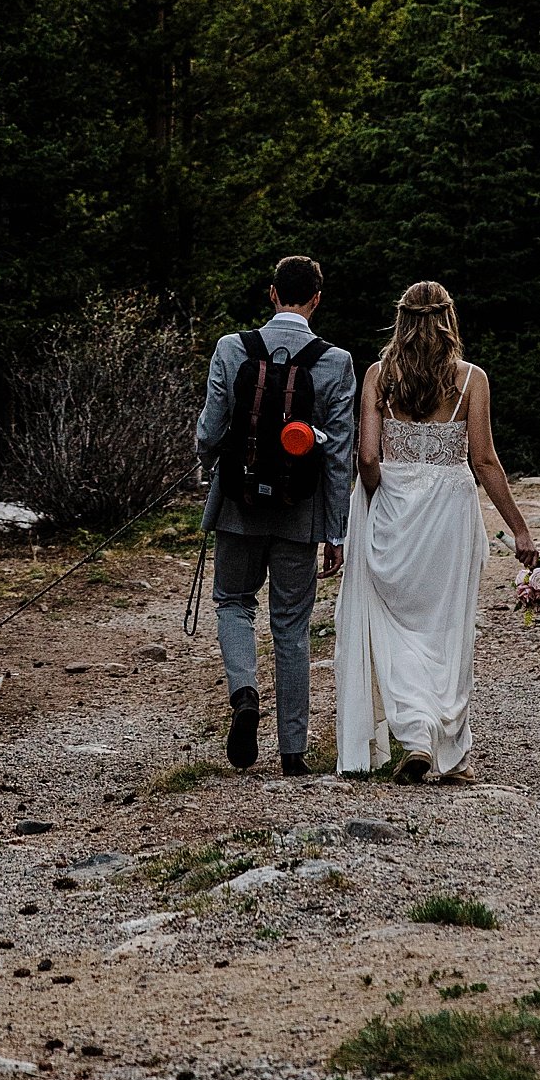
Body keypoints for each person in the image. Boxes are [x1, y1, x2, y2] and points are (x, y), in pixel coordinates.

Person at [335, 279, 538, 783]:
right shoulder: (472, 380)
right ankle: (447, 746)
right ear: (450, 319)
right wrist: (520, 530)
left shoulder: (379, 377)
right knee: (447, 629)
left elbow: (365, 455)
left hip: (394, 511)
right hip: (449, 513)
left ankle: (415, 733)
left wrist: (381, 493)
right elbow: (484, 460)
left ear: (401, 319)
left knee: (394, 626)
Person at [195, 255, 356, 775]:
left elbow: (208, 432)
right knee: (291, 625)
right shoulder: (336, 362)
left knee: (233, 602)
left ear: (271, 294)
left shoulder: (231, 349)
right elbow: (339, 455)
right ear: (316, 299)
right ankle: (293, 753)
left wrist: (211, 465)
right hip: (300, 514)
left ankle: (244, 693)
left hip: (238, 507)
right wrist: (336, 531)